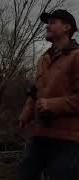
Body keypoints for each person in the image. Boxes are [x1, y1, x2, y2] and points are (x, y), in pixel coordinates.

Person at [17, 9, 79, 180]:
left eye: (53, 22)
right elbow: (36, 92)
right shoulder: (43, 59)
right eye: (47, 22)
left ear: (67, 28)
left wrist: (52, 105)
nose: (47, 25)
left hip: (66, 139)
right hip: (39, 133)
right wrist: (26, 113)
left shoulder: (76, 57)